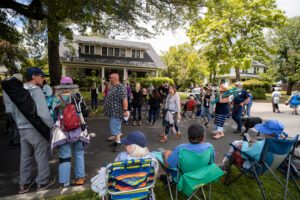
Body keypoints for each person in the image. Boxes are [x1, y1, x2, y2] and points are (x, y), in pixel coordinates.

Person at [11, 67, 55, 193]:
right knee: (41, 155)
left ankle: (24, 184)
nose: (43, 78)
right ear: (34, 76)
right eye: (41, 76)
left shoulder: (18, 91)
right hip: (36, 129)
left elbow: (14, 112)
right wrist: (52, 126)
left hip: (22, 128)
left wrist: (19, 125)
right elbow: (43, 113)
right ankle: (42, 182)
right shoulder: (36, 91)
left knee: (25, 156)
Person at [51, 76, 89, 187]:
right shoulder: (77, 96)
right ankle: (80, 178)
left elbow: (52, 115)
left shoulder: (56, 98)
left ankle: (65, 182)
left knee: (64, 156)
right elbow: (85, 112)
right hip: (77, 129)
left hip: (62, 131)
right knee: (79, 153)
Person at [222, 120, 288, 171]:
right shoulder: (283, 143)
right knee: (248, 141)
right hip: (270, 165)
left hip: (254, 166)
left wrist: (245, 142)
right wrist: (254, 143)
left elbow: (244, 155)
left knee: (235, 143)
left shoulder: (260, 145)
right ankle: (225, 164)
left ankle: (225, 164)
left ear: (267, 132)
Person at [104, 73, 129, 152]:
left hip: (117, 112)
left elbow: (125, 100)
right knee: (114, 126)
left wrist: (125, 110)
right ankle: (116, 141)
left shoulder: (121, 88)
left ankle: (118, 142)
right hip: (112, 111)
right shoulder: (113, 87)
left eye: (110, 77)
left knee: (115, 127)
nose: (109, 79)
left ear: (115, 78)